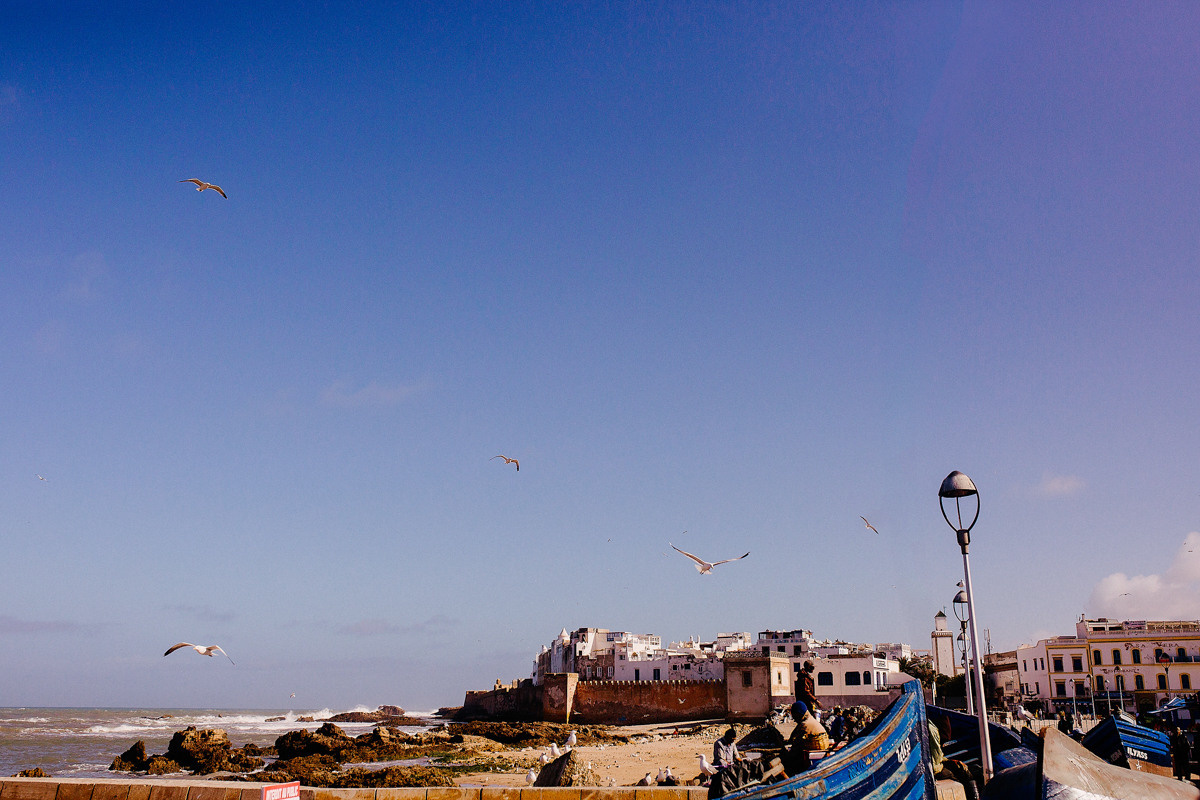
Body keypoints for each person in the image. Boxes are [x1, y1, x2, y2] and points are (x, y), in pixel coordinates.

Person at [780, 701, 830, 777]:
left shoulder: (805, 725)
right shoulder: (808, 719)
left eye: (794, 715)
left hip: (816, 746)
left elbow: (796, 742)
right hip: (821, 744)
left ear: (798, 714)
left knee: (792, 757)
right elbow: (795, 733)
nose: (794, 719)